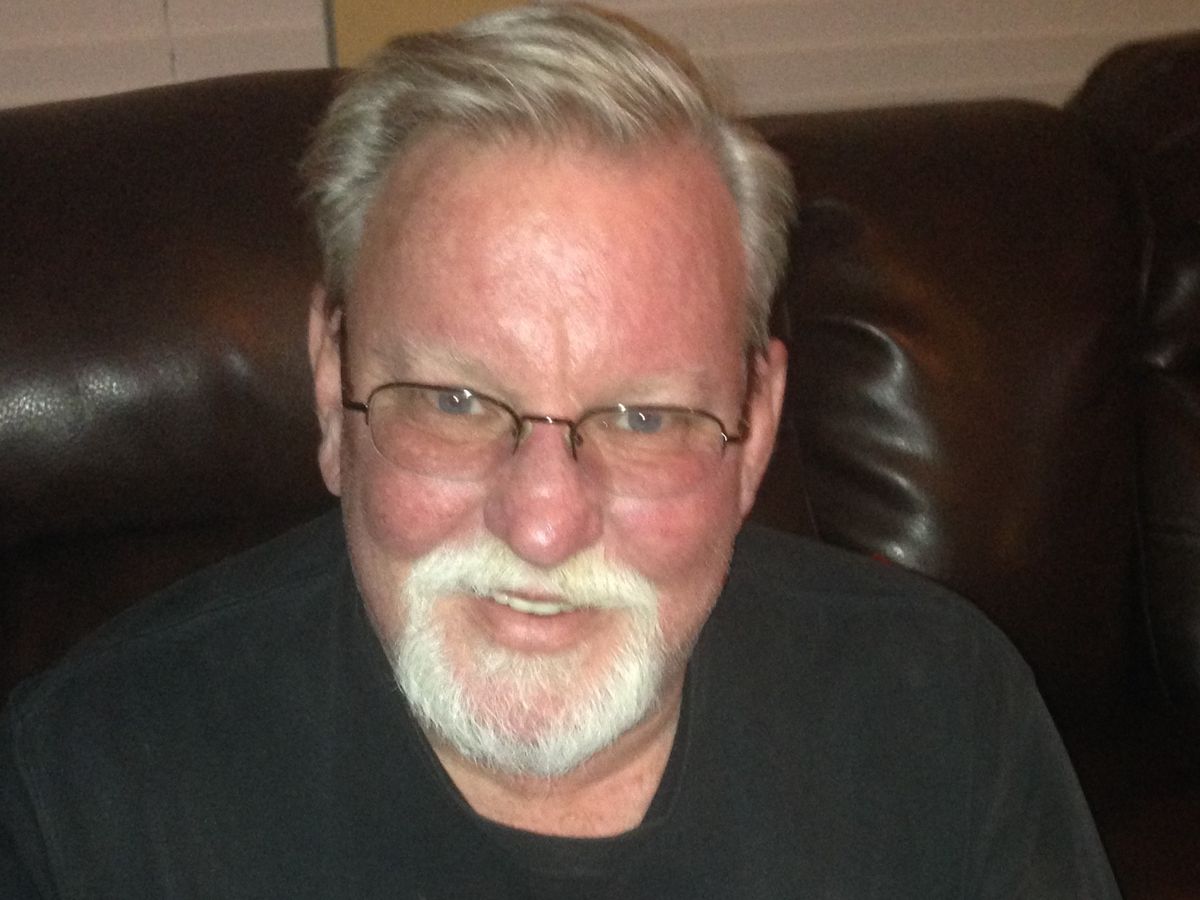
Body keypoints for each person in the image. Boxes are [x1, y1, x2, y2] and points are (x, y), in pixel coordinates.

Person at [1, 4, 1121, 897]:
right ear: (334, 387)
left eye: (642, 419)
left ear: (758, 426)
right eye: (455, 401)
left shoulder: (944, 720)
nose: (542, 524)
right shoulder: (84, 796)